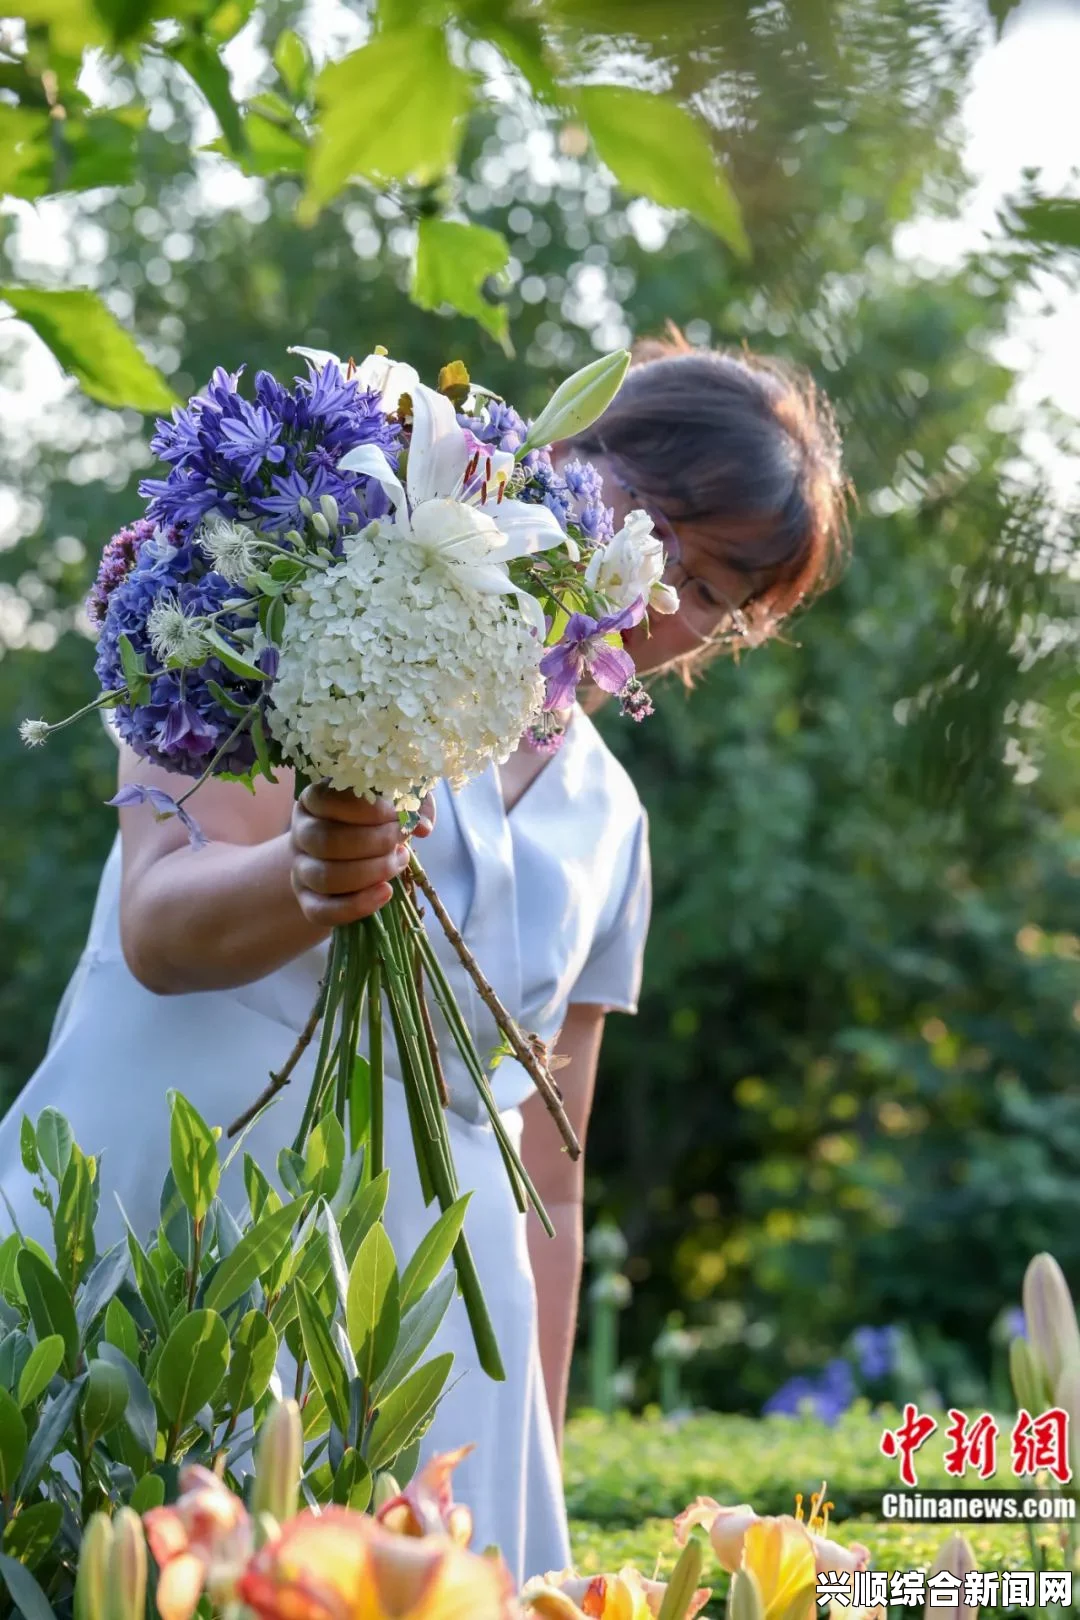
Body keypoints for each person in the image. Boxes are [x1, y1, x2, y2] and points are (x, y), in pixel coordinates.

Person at [0, 329, 848, 1584]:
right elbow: (158, 925)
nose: (670, 600)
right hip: (172, 1206)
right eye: (663, 534)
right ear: (569, 458)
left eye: (723, 597)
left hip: (418, 1330)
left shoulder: (611, 820)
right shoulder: (301, 592)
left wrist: (529, 1449)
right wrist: (309, 869)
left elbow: (548, 1177)